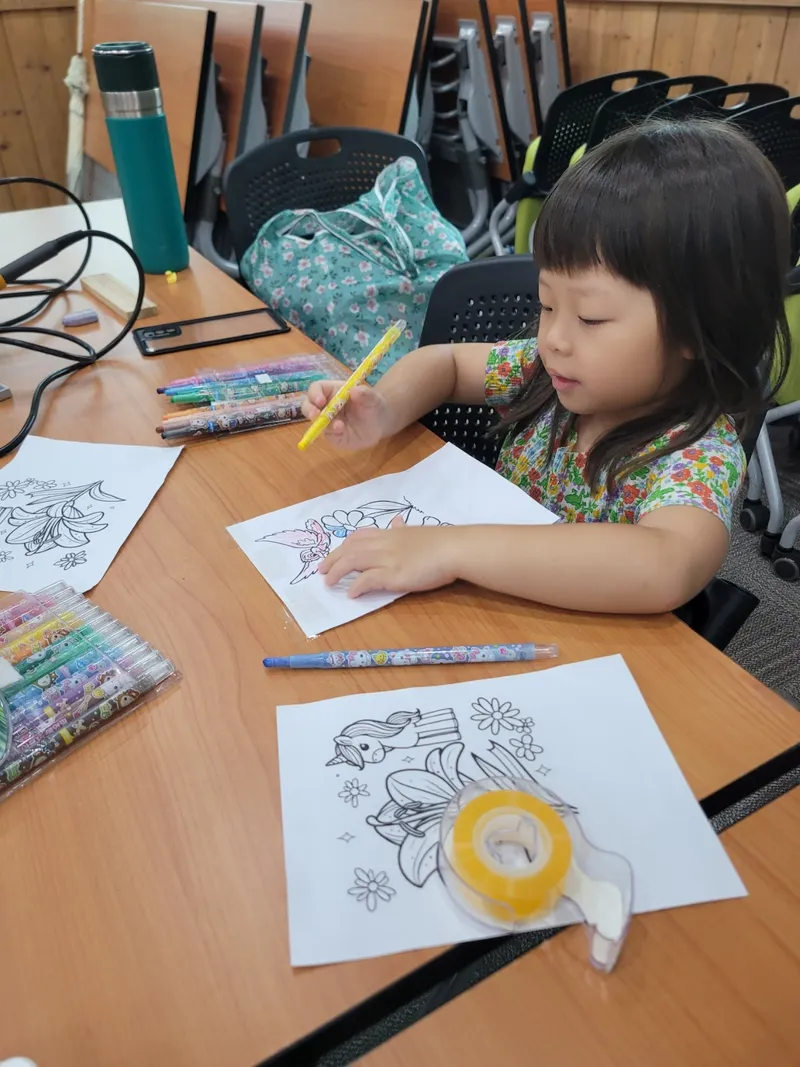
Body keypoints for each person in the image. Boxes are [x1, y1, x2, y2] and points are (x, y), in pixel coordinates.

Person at [301, 120, 791, 614]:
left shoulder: (698, 452)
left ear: (697, 328)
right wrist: (384, 409)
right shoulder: (547, 373)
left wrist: (450, 549)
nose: (553, 338)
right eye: (547, 304)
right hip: (484, 610)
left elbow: (666, 565)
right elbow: (445, 362)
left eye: (590, 317)